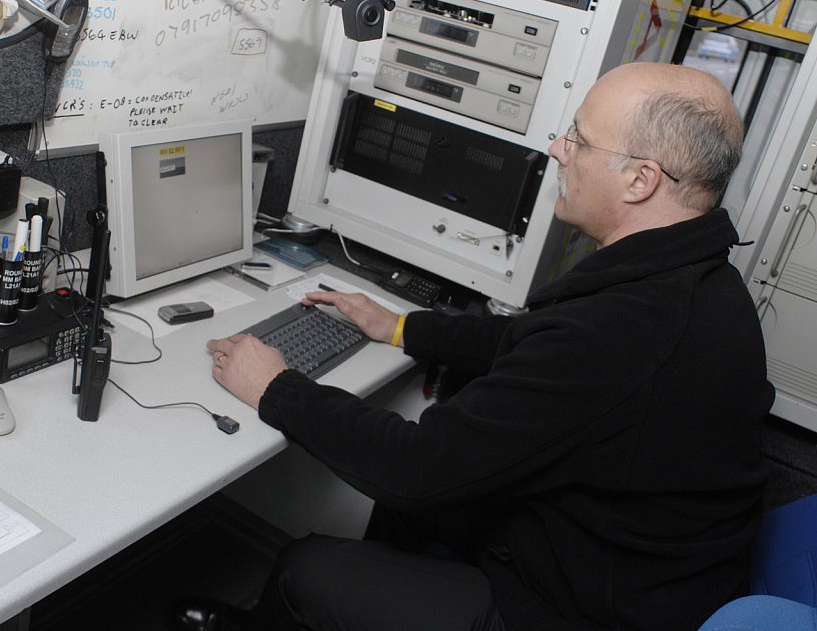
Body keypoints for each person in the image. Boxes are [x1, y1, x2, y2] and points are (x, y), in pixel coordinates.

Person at [180, 62, 775, 631]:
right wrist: (404, 328)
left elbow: (415, 466)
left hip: (591, 612)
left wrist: (276, 388)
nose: (558, 149)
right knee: (411, 510)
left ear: (640, 180)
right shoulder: (693, 280)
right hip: (630, 563)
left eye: (579, 139)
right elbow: (535, 344)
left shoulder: (625, 329)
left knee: (306, 570)